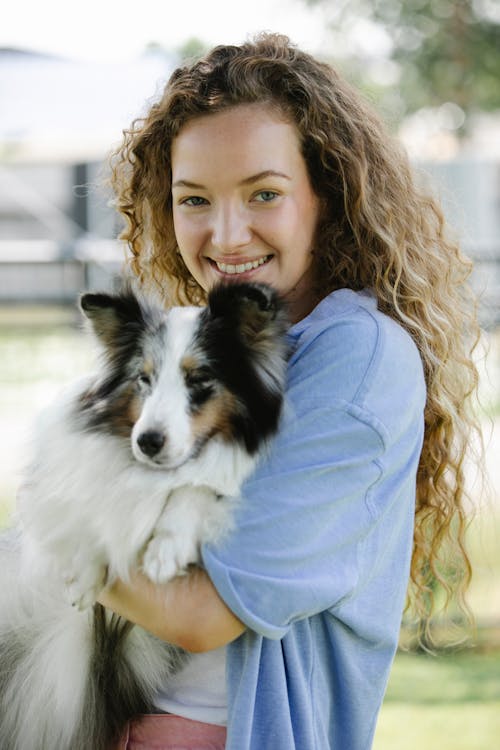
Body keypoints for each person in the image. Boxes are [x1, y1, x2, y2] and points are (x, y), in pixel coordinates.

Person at [99, 33, 480, 750]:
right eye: (194, 200)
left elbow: (205, 613)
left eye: (264, 194)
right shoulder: (208, 349)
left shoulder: (357, 357)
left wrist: (63, 545)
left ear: (327, 195)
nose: (225, 233)